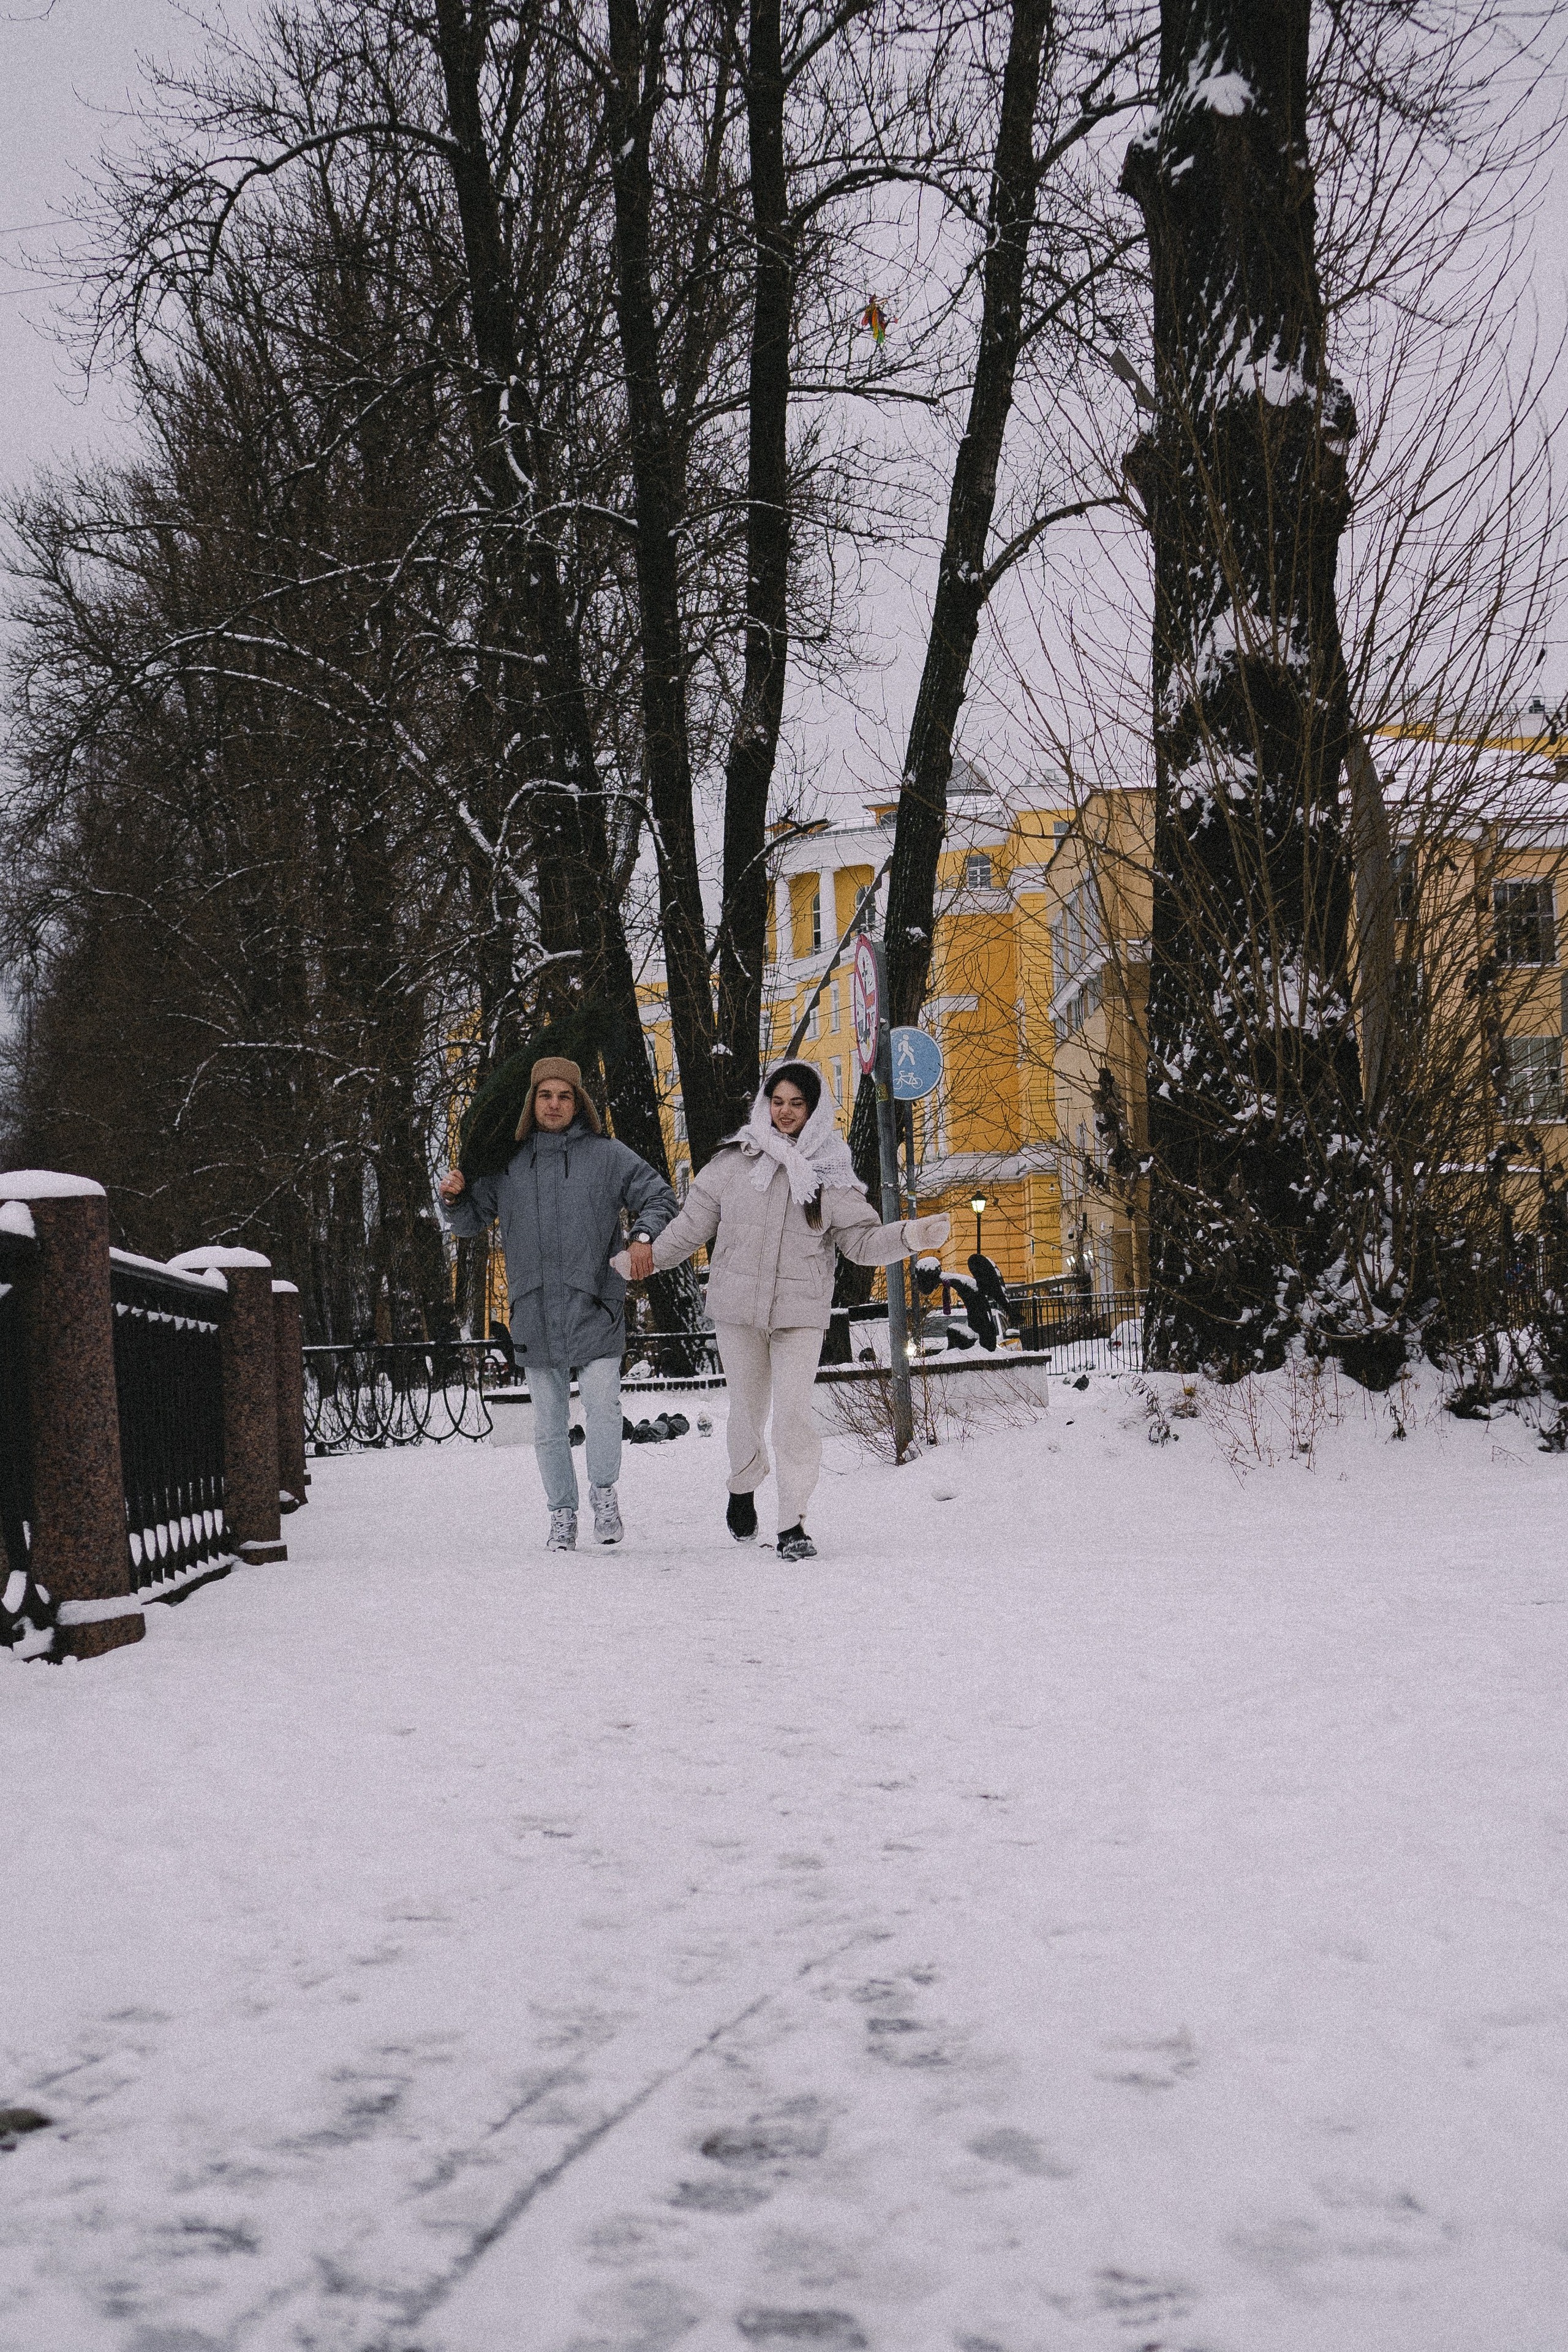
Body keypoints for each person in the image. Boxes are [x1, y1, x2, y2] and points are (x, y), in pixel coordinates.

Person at [616, 1061, 949, 1559]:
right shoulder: (734, 1162)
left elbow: (859, 1242)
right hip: (736, 1309)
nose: (786, 1112)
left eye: (797, 1103)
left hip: (800, 1312)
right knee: (747, 1412)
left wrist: (908, 1236)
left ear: (813, 1110)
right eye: (779, 1101)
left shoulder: (832, 1173)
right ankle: (743, 1483)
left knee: (793, 1416)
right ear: (765, 1104)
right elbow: (690, 1228)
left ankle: (792, 1522)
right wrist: (641, 1262)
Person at [439, 1057, 677, 1552]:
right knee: (548, 1423)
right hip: (534, 1310)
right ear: (532, 1102)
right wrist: (454, 1200)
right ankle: (562, 1515)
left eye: (564, 1096)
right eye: (546, 1096)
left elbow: (660, 1197)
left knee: (602, 1408)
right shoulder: (509, 1162)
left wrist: (642, 1237)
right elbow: (468, 1223)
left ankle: (604, 1494)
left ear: (579, 1102)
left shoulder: (608, 1155)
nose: (554, 1104)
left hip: (597, 1304)